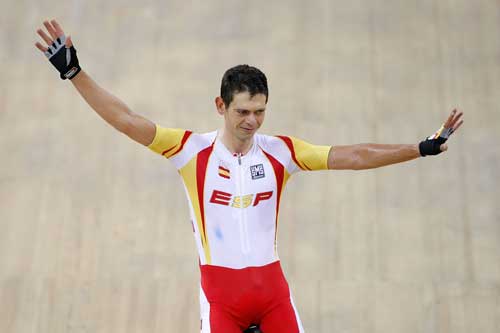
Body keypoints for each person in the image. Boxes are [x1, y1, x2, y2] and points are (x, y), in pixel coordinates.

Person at [35, 19, 464, 333]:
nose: (252, 121)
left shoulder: (283, 152)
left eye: (260, 111)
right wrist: (75, 73)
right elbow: (126, 119)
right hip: (222, 304)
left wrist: (419, 148)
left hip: (273, 296)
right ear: (220, 107)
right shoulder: (189, 150)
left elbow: (353, 155)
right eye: (243, 111)